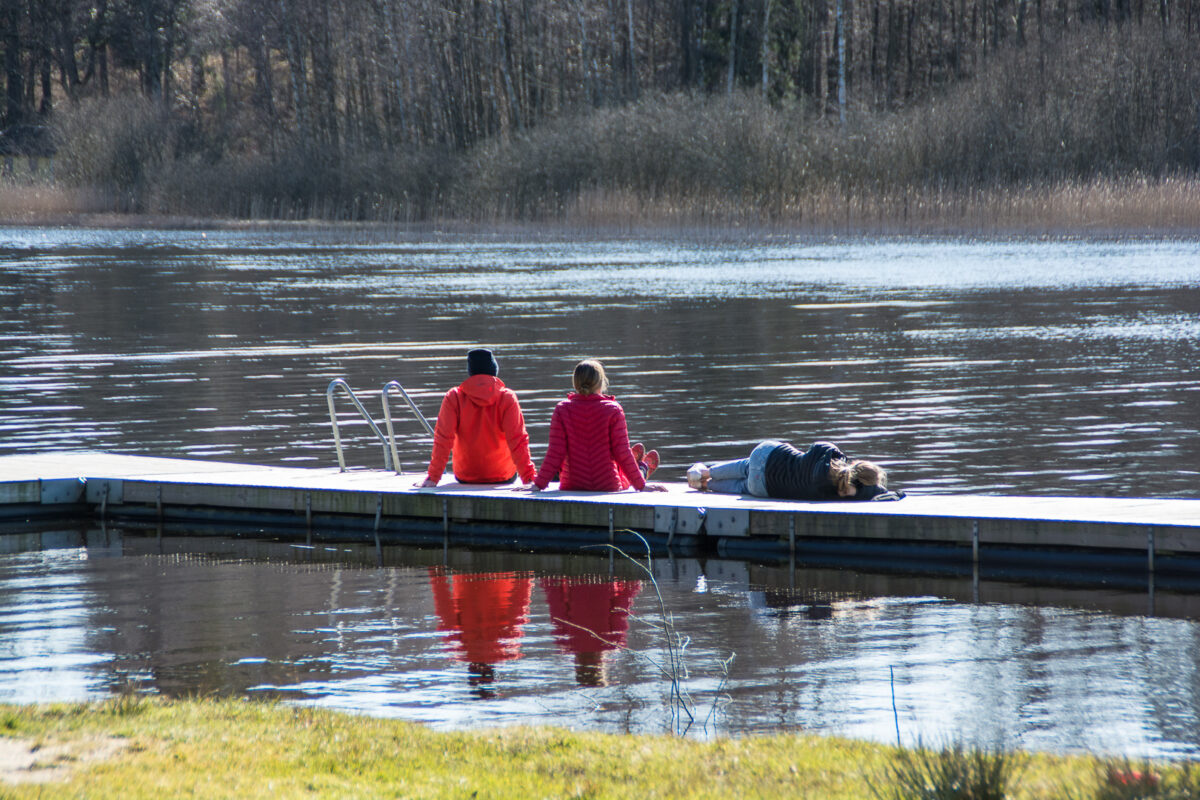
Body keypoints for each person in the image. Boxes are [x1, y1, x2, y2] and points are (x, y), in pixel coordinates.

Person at [530, 359, 666, 492]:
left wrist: (538, 485)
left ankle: (639, 467)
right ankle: (642, 468)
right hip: (608, 485)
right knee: (625, 479)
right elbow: (622, 453)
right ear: (601, 382)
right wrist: (641, 486)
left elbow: (555, 452)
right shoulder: (613, 409)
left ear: (575, 383)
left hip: (572, 484)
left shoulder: (562, 409)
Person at [418, 348, 537, 488]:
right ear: (494, 370)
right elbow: (517, 440)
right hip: (503, 476)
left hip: (465, 476)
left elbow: (443, 439)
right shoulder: (507, 397)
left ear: (470, 371)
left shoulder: (454, 397)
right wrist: (529, 478)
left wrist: (433, 478)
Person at [687, 439, 900, 501]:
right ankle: (706, 485)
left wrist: (842, 458)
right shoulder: (841, 495)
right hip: (763, 489)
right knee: (744, 485)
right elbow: (872, 492)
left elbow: (817, 444)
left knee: (746, 466)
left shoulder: (828, 453)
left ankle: (704, 472)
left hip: (767, 457)